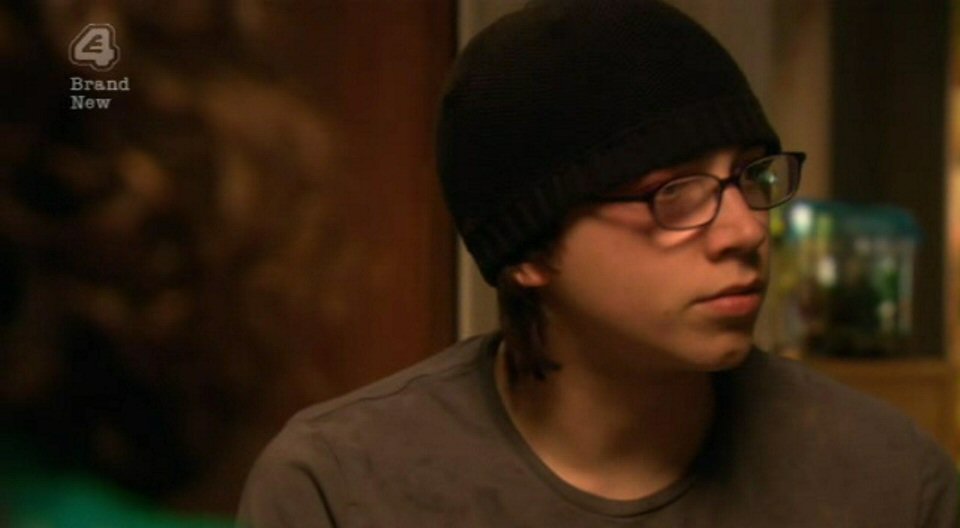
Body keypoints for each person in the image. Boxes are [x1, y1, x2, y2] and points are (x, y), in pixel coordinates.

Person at [237, 0, 959, 526]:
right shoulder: (340, 488)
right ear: (530, 253)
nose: (745, 230)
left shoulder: (888, 482)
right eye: (675, 194)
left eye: (750, 176)